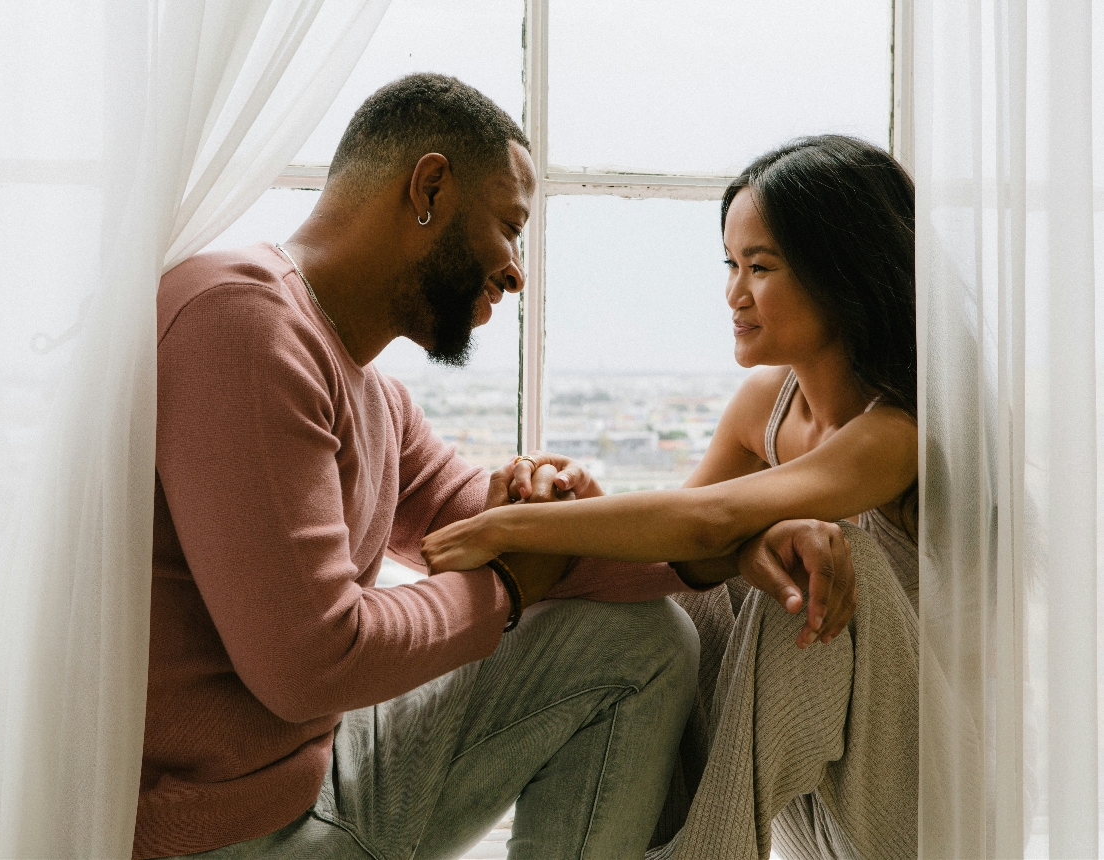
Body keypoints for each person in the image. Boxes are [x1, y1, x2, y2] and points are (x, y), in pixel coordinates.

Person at [139, 73, 717, 860]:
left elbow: (480, 525)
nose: (516, 271)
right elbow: (312, 663)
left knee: (642, 642)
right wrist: (510, 584)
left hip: (317, 776)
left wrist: (728, 546)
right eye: (510, 227)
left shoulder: (373, 392)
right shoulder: (240, 324)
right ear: (430, 187)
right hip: (222, 836)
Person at [422, 135, 920, 859]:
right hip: (812, 784)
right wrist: (584, 508)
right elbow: (681, 565)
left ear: (840, 275)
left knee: (816, 557)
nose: (734, 294)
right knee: (714, 582)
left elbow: (707, 520)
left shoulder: (894, 433)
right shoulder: (765, 406)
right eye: (731, 264)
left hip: (908, 784)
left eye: (761, 267)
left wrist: (505, 528)